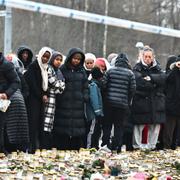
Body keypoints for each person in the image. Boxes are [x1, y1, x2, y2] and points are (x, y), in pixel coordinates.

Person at [53, 47, 89, 150]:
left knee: (77, 128)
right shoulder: (62, 69)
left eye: (78, 59)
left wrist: (85, 96)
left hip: (78, 104)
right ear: (70, 58)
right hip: (64, 103)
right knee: (62, 127)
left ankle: (75, 148)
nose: (76, 61)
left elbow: (85, 86)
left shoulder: (82, 72)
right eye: (74, 58)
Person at [131, 47, 166, 150]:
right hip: (141, 102)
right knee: (139, 126)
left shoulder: (158, 68)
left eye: (149, 56)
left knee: (155, 126)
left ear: (153, 57)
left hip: (156, 102)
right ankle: (137, 146)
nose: (147, 58)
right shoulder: (137, 68)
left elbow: (163, 79)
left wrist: (151, 78)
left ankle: (152, 146)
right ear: (142, 56)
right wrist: (154, 83)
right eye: (145, 56)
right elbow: (139, 82)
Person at [101, 53, 136, 152]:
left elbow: (104, 85)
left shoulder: (110, 71)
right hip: (122, 105)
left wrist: (106, 97)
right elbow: (133, 89)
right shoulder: (130, 73)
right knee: (119, 127)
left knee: (107, 125)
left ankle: (105, 144)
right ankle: (116, 146)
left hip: (109, 103)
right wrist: (127, 100)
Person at [24, 47, 52, 153]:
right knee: (33, 124)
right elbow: (33, 85)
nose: (45, 59)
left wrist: (45, 94)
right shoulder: (33, 67)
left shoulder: (45, 68)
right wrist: (42, 95)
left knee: (40, 123)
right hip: (33, 100)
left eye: (47, 57)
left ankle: (39, 147)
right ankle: (32, 147)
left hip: (40, 100)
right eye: (44, 56)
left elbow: (45, 84)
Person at [5, 54, 29, 152]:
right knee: (19, 129)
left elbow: (25, 89)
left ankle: (11, 148)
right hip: (16, 102)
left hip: (12, 102)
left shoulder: (16, 74)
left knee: (11, 129)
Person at [42, 51, 65, 149]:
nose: (59, 62)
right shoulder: (49, 68)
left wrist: (61, 86)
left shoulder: (58, 71)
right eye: (57, 59)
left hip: (54, 100)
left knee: (50, 125)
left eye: (60, 60)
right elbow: (55, 84)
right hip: (48, 99)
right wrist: (61, 85)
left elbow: (60, 87)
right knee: (45, 124)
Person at [0, 52, 20, 153]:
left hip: (1, 101)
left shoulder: (6, 65)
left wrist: (6, 94)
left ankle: (1, 150)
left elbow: (16, 81)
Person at [163, 55, 180, 149]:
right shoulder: (171, 73)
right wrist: (175, 68)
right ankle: (167, 146)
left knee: (177, 130)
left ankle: (175, 145)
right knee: (169, 128)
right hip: (171, 106)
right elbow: (167, 79)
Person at [86, 66, 104, 149]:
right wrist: (98, 112)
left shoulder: (94, 84)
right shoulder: (94, 85)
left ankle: (94, 145)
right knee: (92, 130)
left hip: (94, 112)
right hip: (93, 113)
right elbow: (94, 99)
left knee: (96, 130)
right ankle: (90, 146)